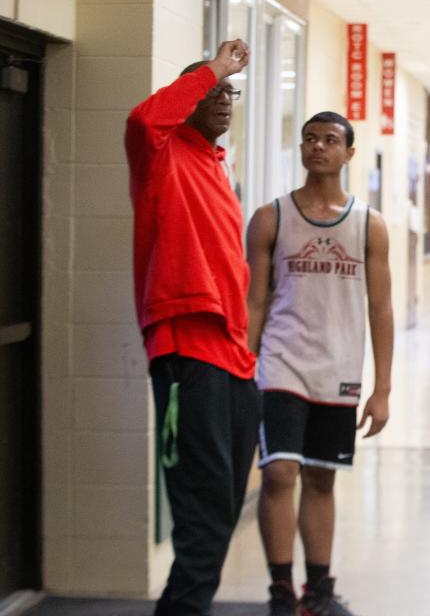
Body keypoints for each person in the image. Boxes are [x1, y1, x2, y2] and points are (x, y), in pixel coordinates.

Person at [126, 39, 261, 616]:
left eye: (229, 93)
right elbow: (142, 117)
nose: (224, 100)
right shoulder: (160, 152)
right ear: (186, 100)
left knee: (224, 514)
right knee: (202, 523)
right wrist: (213, 67)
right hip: (187, 349)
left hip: (233, 359)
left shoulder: (214, 166)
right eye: (212, 92)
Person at [246, 111, 394, 616]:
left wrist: (383, 388)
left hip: (339, 368)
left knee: (321, 478)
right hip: (281, 362)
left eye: (331, 140)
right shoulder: (272, 217)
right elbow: (255, 302)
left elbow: (381, 308)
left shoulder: (368, 224)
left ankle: (319, 589)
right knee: (280, 472)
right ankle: (281, 590)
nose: (318, 147)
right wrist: (245, 365)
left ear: (349, 153)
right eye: (311, 138)